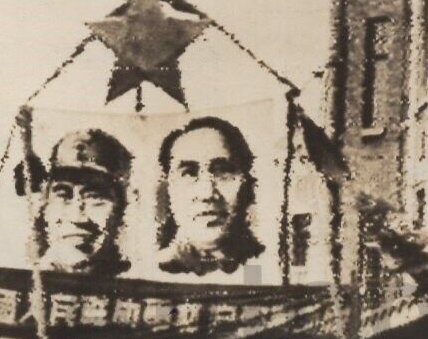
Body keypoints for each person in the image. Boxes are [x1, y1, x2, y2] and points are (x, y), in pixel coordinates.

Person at [156, 117, 263, 276]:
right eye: (189, 173)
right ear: (169, 188)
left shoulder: (261, 269)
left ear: (247, 184)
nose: (207, 193)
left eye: (223, 171)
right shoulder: (151, 271)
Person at [33, 128, 132, 277]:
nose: (77, 217)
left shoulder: (134, 294)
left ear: (120, 209)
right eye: (63, 195)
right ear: (44, 206)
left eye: (95, 198)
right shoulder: (21, 288)